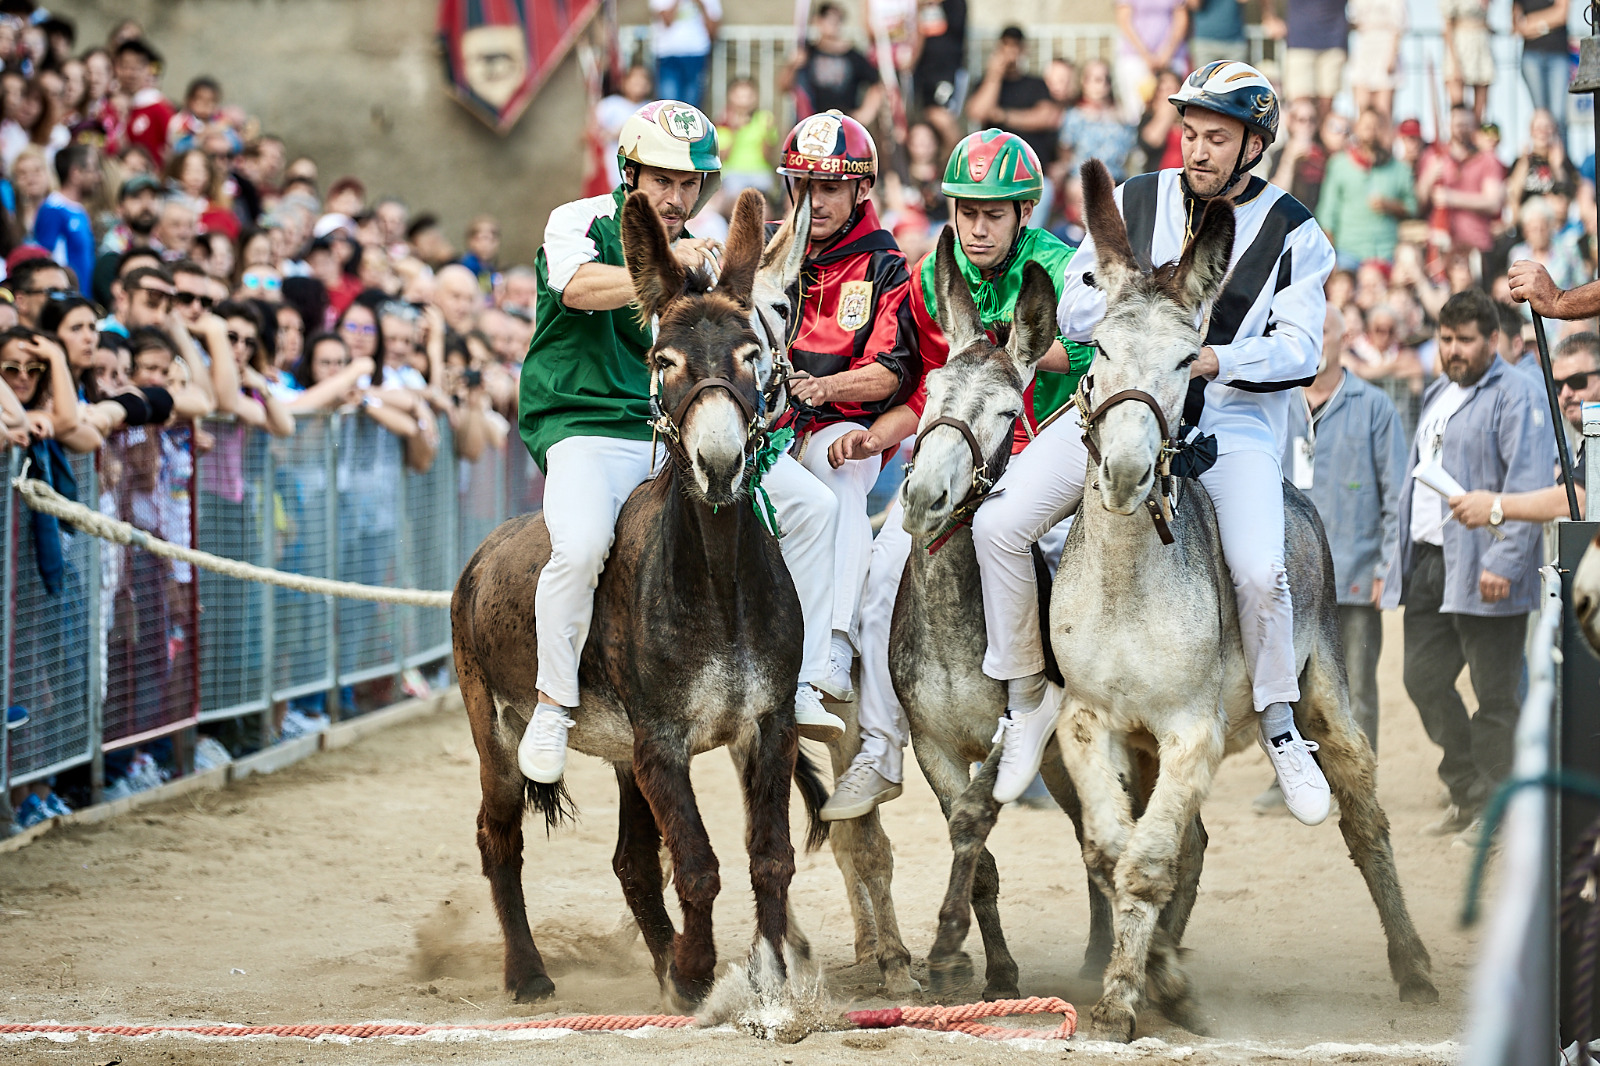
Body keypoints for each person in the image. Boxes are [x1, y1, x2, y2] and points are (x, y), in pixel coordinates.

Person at [981, 61, 1337, 823]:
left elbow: (1303, 349)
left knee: (1258, 568)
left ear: (1253, 145)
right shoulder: (1137, 200)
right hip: (1117, 404)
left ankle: (1279, 722)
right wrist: (1113, 298)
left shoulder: (1297, 230)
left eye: (1217, 137)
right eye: (1190, 133)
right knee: (999, 525)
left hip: (1229, 418)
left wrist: (1215, 359)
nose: (1198, 150)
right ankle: (1025, 700)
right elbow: (1076, 304)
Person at [515, 99, 847, 784]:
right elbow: (574, 288)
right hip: (585, 425)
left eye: (689, 183)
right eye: (661, 180)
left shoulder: (708, 241)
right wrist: (670, 267)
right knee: (579, 547)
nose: (675, 196)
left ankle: (805, 683)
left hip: (675, 428)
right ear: (629, 171)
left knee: (817, 508)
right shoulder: (576, 221)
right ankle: (552, 704)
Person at [819, 128, 1093, 819]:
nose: (976, 227)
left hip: (1044, 457)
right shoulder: (926, 279)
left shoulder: (1061, 267)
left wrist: (1017, 354)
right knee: (882, 577)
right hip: (951, 463)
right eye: (966, 211)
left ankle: (1065, 718)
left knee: (1066, 574)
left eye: (993, 213)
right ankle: (881, 751)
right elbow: (907, 374)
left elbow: (1102, 353)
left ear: (1023, 212)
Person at [1383, 288, 1554, 841]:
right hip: (1431, 563)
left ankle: (1502, 809)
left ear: (1494, 341)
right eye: (1446, 339)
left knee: (1495, 695)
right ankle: (1468, 787)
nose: (1453, 350)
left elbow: (1528, 484)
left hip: (1487, 564)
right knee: (1422, 680)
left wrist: (1505, 561)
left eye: (1465, 341)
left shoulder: (1518, 394)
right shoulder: (1440, 391)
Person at [774, 110, 918, 702]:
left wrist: (826, 390)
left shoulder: (885, 266)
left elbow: (891, 371)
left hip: (844, 429)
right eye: (803, 186)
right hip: (769, 425)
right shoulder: (770, 257)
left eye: (829, 187)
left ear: (862, 189)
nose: (814, 202)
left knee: (839, 477)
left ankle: (835, 642)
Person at [1254, 304, 1403, 813]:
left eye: (1323, 331)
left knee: (1354, 683)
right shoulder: (1275, 405)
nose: (1315, 342)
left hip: (1356, 570)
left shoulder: (1375, 406)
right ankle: (1289, 777)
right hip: (1291, 572)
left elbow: (1395, 493)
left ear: (1346, 337)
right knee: (1285, 679)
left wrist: (1388, 565)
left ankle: (1355, 783)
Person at [1451, 331, 1600, 523]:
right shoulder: (1588, 439)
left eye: (1577, 381)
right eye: (1557, 385)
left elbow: (1577, 501)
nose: (1566, 393)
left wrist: (1495, 506)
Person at [965, 27, 1063, 218]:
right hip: (994, 175)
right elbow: (977, 112)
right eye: (1005, 47)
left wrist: (1002, 116)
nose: (1010, 53)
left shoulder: (1035, 84)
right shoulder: (985, 83)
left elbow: (1047, 116)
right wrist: (995, 75)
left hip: (1032, 173)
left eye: (1015, 47)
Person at [1316, 109, 1417, 269]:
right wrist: (1330, 259)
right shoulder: (1339, 164)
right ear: (1356, 129)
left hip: (1386, 253)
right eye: (1366, 126)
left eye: (1376, 126)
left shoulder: (1400, 168)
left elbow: (1412, 208)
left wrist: (1390, 206)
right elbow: (1327, 214)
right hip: (1348, 253)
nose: (1371, 131)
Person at [1417, 104, 1506, 257]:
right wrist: (1429, 177)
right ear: (1449, 126)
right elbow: (1418, 201)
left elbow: (1493, 203)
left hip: (1477, 244)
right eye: (1458, 124)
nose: (1462, 129)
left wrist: (1452, 198)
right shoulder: (1434, 156)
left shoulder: (1487, 159)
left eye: (1466, 125)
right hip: (1441, 243)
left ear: (1474, 127)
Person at [780, 3, 883, 125]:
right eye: (828, 17)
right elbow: (784, 86)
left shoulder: (853, 56)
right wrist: (792, 66)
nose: (833, 23)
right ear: (817, 21)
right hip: (811, 124)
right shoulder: (806, 54)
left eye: (837, 19)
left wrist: (866, 113)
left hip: (842, 124)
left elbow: (876, 84)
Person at [1262, 0, 1347, 117]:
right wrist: (1269, 17)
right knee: (1300, 105)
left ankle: (1319, 135)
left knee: (1326, 105)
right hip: (1299, 42)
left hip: (1334, 41)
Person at [1058, 59, 1136, 182]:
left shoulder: (1122, 116)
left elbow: (1131, 152)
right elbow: (1065, 152)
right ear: (1084, 81)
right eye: (1096, 79)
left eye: (1106, 79)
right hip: (1083, 181)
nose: (1102, 85)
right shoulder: (1074, 116)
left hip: (1117, 179)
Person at [1113, 0, 1188, 126]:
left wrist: (1166, 54)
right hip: (1135, 57)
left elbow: (1181, 18)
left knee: (1173, 108)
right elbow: (1124, 21)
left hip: (1172, 56)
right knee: (1136, 110)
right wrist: (1146, 56)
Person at [911, 0, 967, 149]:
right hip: (920, 72)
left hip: (945, 71)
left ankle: (958, 166)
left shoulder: (954, 5)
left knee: (942, 117)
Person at [1515, 0, 1571, 145]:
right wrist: (1548, 23)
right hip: (1531, 57)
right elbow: (1518, 26)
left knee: (1558, 116)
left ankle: (1561, 162)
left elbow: (1561, 15)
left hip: (1558, 55)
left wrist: (1533, 24)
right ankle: (1542, 162)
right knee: (1541, 118)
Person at [649, 0, 720, 109]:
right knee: (668, 105)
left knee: (692, 107)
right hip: (668, 54)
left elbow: (713, 30)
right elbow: (667, 20)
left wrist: (700, 4)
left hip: (697, 54)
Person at [1348, 0, 1405, 118]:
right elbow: (1353, 22)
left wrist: (1392, 57)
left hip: (1385, 50)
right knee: (1362, 110)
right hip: (1364, 51)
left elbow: (1398, 27)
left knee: (1383, 111)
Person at [1442, 0, 1494, 124]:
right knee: (1458, 109)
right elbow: (1447, 27)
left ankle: (1476, 138)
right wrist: (1455, 64)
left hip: (1481, 45)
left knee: (1479, 113)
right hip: (1460, 46)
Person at [1188, 0, 1247, 69]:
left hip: (1234, 42)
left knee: (1236, 78)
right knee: (1204, 78)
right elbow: (1194, 5)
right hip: (1205, 42)